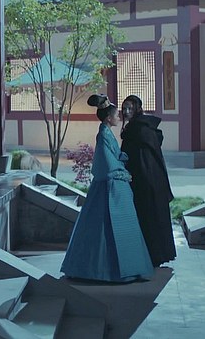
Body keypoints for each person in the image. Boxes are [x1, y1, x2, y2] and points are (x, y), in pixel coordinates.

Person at [60, 94, 154, 283]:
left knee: (119, 225)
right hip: (109, 184)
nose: (120, 116)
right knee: (108, 225)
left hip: (114, 183)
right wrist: (121, 172)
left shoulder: (106, 132)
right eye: (116, 115)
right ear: (109, 118)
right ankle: (105, 270)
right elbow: (105, 162)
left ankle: (128, 267)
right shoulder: (103, 134)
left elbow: (114, 156)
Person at [120, 94, 176, 267]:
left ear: (137, 109)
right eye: (124, 108)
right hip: (148, 180)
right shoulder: (140, 127)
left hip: (146, 181)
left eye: (130, 108)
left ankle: (153, 255)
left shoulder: (139, 129)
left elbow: (141, 159)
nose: (126, 111)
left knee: (149, 217)